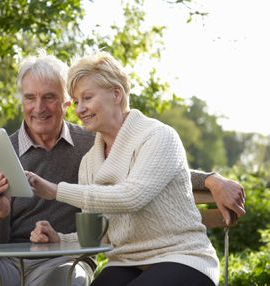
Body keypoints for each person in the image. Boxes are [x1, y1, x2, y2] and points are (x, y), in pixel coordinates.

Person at [0, 50, 245, 286]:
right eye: (30, 98)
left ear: (64, 105)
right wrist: (4, 212)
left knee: (66, 280)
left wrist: (211, 180)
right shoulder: (78, 154)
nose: (39, 107)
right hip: (99, 259)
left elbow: (144, 181)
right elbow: (100, 230)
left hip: (154, 258)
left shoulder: (97, 140)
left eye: (51, 98)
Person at [27, 51, 234, 286]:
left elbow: (131, 196)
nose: (80, 109)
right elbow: (99, 234)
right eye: (76, 102)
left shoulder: (158, 136)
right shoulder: (89, 161)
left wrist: (56, 190)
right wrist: (59, 240)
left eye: (87, 98)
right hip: (126, 263)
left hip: (183, 258)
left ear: (116, 94)